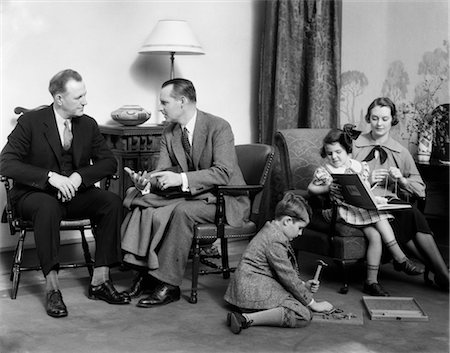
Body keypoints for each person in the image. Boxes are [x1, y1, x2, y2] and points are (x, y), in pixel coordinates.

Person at [0, 69, 130, 318]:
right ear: (59, 98)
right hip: (34, 195)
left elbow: (107, 162)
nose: (85, 101)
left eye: (85, 95)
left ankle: (100, 281)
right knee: (47, 207)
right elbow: (5, 163)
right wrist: (50, 177)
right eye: (79, 97)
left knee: (111, 202)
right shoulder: (31, 123)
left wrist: (79, 177)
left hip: (75, 193)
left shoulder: (88, 124)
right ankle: (52, 289)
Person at [121, 78, 250, 307]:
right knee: (143, 202)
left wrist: (180, 179)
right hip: (193, 195)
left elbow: (222, 173)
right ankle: (144, 274)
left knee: (182, 212)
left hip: (223, 197)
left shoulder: (218, 127)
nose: (160, 107)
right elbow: (162, 171)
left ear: (182, 101)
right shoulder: (170, 132)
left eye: (164, 102)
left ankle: (168, 285)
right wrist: (147, 183)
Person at [307, 128, 423, 297]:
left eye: (338, 152)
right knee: (379, 217)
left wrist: (373, 195)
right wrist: (327, 187)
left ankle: (371, 282)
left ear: (348, 150)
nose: (334, 157)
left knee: (375, 235)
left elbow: (365, 189)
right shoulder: (326, 171)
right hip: (341, 211)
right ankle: (400, 258)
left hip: (360, 210)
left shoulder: (359, 167)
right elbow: (310, 189)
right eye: (329, 153)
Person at [352, 97, 449, 292]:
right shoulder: (353, 146)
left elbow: (420, 189)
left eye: (385, 119)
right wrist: (367, 179)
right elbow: (340, 178)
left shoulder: (400, 151)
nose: (379, 123)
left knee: (411, 213)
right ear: (368, 119)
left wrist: (401, 181)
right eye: (375, 118)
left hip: (390, 204)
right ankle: (442, 273)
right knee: (412, 216)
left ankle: (441, 273)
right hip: (363, 206)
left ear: (392, 120)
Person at [223, 192, 333, 334]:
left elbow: (283, 272)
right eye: (300, 228)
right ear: (287, 221)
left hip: (250, 285)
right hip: (251, 291)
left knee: (297, 302)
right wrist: (314, 304)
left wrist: (303, 285)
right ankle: (245, 318)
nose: (300, 233)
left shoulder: (272, 230)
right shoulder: (275, 240)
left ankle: (245, 316)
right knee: (303, 315)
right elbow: (287, 276)